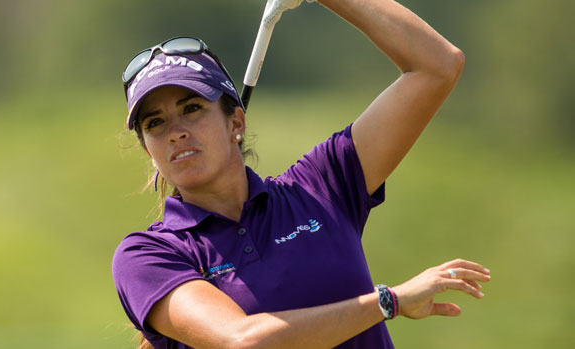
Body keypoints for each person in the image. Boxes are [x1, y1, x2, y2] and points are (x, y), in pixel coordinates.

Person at [112, 0, 491, 348]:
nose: (176, 131)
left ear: (236, 123)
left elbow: (437, 65)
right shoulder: (149, 255)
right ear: (148, 149)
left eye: (192, 107)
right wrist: (388, 302)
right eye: (155, 122)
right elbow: (242, 342)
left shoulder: (322, 186)